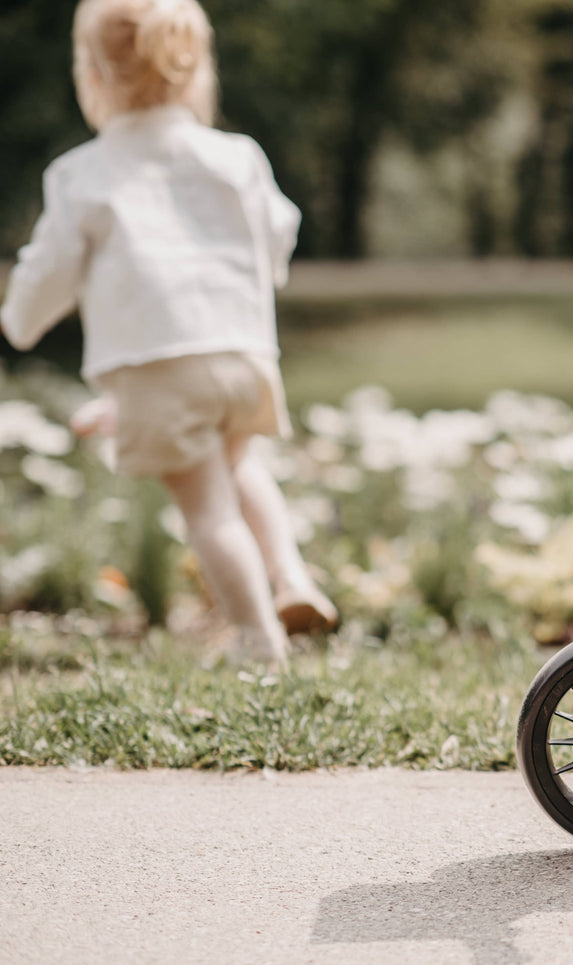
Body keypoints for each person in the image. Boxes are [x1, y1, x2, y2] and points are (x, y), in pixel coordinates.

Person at [0, 0, 336, 665]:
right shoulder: (235, 154)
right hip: (243, 355)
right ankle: (293, 576)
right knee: (241, 465)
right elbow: (279, 229)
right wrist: (256, 275)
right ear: (193, 71)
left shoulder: (82, 174)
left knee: (209, 510)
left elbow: (50, 271)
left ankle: (256, 638)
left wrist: (19, 319)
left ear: (91, 77)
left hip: (159, 366)